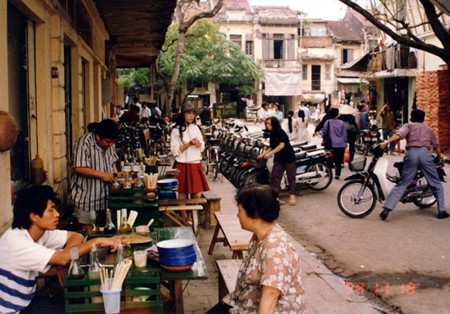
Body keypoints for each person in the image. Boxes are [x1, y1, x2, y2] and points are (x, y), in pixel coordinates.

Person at [0, 185, 122, 313]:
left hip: (28, 303)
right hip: (12, 311)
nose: (57, 214)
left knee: (75, 307)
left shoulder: (39, 232)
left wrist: (64, 260)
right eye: (51, 210)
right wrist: (97, 241)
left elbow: (76, 236)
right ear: (34, 216)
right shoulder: (16, 242)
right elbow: (63, 258)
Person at [207, 185, 306, 313]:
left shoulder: (275, 249)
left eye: (240, 211)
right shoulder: (260, 236)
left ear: (255, 215)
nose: (237, 215)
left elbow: (270, 298)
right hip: (244, 303)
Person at [379, 109, 449, 220]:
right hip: (425, 155)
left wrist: (386, 142)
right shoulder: (428, 129)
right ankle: (441, 211)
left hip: (411, 154)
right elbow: (436, 145)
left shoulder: (408, 126)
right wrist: (440, 156)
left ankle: (387, 208)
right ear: (423, 119)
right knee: (435, 182)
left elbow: (399, 135)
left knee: (403, 183)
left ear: (411, 117)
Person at [69, 119, 119, 230]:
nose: (110, 145)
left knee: (104, 231)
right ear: (97, 137)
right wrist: (103, 175)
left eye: (112, 142)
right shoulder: (84, 143)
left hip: (105, 198)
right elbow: (79, 168)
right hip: (87, 199)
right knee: (89, 232)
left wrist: (115, 173)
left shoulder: (110, 143)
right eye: (107, 142)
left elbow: (112, 162)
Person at [170, 102, 210, 221]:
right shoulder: (175, 131)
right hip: (181, 164)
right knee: (182, 194)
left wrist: (198, 144)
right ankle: (184, 219)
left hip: (195, 163)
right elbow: (175, 151)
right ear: (183, 114)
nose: (191, 116)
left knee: (197, 193)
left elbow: (202, 145)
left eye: (193, 113)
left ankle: (192, 216)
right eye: (188, 113)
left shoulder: (196, 128)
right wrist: (189, 144)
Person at [258, 117, 297, 206]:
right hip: (279, 158)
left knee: (291, 177)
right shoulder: (272, 133)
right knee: (275, 177)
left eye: (269, 123)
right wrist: (263, 154)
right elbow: (272, 146)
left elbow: (281, 145)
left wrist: (270, 153)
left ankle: (292, 195)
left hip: (288, 157)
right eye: (266, 123)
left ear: (274, 124)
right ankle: (275, 198)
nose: (267, 125)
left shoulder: (280, 132)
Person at [322, 108, 347, 179]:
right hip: (341, 144)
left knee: (329, 158)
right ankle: (337, 174)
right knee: (339, 160)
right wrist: (345, 142)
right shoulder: (341, 122)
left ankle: (328, 172)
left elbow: (324, 132)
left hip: (331, 144)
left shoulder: (328, 122)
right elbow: (344, 133)